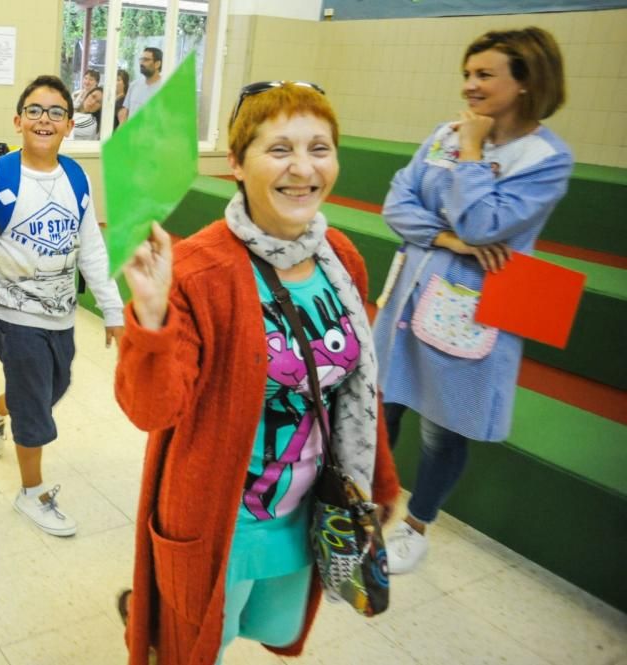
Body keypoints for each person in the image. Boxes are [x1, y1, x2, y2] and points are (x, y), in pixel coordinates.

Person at [114, 82, 400, 664]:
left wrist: (382, 480)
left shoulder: (340, 257)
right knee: (192, 646)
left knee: (267, 625)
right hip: (223, 525)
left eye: (319, 148)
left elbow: (355, 388)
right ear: (238, 164)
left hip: (306, 518)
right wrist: (150, 320)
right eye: (279, 150)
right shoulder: (199, 269)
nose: (303, 168)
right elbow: (153, 411)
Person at [374, 27, 572, 574]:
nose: (470, 86)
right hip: (410, 296)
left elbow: (485, 222)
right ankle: (369, 503)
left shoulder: (547, 158)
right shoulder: (443, 133)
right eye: (467, 73)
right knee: (382, 406)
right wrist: (447, 239)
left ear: (527, 82)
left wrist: (471, 152)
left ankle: (417, 526)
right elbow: (397, 204)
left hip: (473, 311)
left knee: (442, 427)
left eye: (484, 75)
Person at [0, 74, 125, 536]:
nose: (44, 119)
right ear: (18, 121)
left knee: (55, 385)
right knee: (37, 407)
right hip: (13, 316)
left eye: (56, 112)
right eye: (34, 110)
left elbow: (91, 246)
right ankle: (31, 491)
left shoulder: (75, 175)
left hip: (62, 314)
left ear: (70, 125)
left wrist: (112, 309)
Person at [122, 47, 163, 122]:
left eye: (146, 60)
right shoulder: (134, 85)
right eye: (141, 59)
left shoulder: (165, 88)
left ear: (157, 64)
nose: (141, 63)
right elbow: (125, 114)